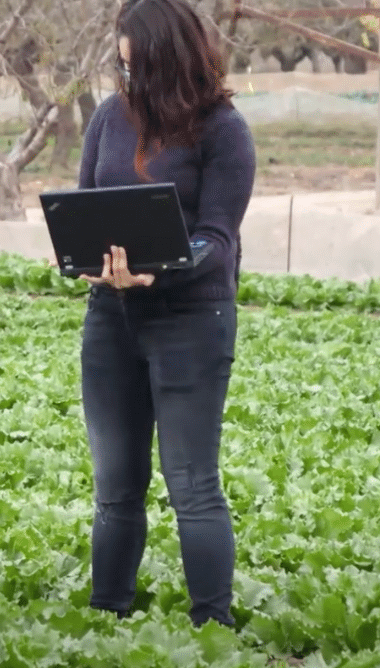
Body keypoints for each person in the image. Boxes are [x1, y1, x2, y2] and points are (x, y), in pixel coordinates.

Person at [76, 0, 257, 627]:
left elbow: (218, 238)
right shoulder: (107, 118)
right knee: (116, 486)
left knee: (192, 483)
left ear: (173, 61)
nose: (129, 82)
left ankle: (213, 625)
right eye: (121, 69)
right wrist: (81, 257)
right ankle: (107, 616)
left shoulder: (222, 128)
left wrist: (164, 268)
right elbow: (82, 207)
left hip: (191, 321)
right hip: (111, 317)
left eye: (140, 68)